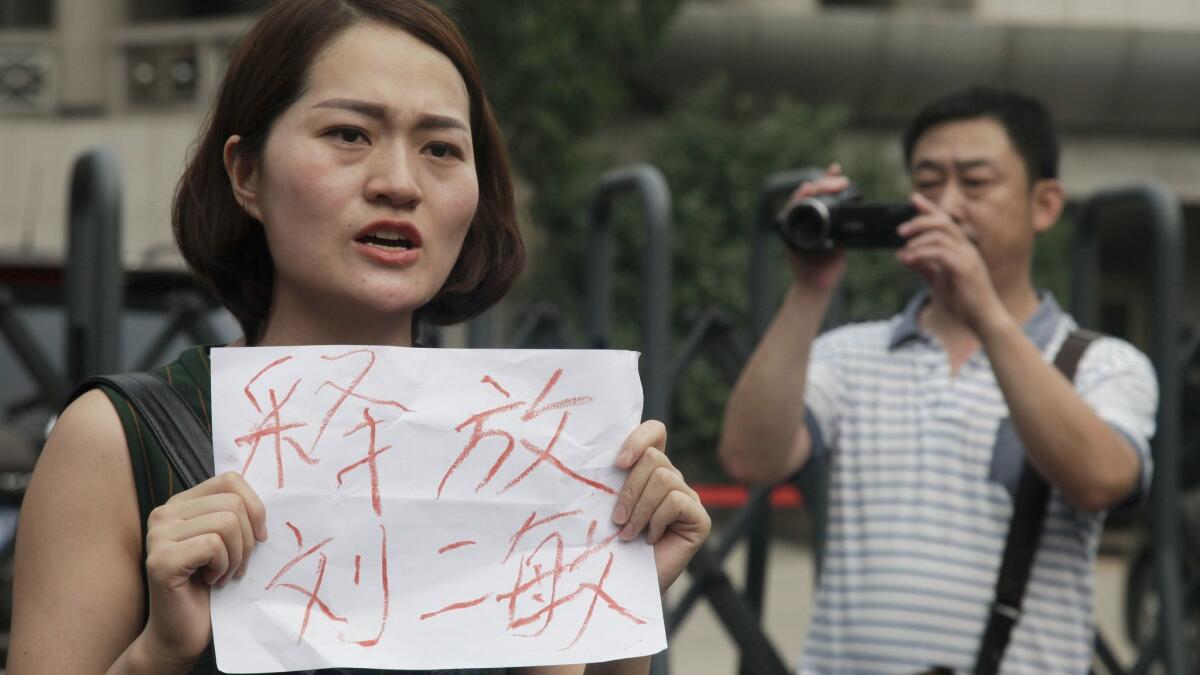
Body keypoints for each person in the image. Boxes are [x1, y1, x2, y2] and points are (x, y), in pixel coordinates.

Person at [9, 1, 711, 673]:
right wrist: (160, 653)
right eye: (349, 134)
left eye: (441, 147)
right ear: (246, 174)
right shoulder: (114, 441)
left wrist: (623, 600)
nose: (399, 183)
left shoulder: (532, 449)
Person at [719, 87, 1157, 674]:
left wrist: (987, 316)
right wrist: (810, 288)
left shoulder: (1102, 363)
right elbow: (751, 458)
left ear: (1045, 205)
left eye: (975, 184)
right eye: (927, 184)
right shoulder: (849, 354)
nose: (946, 205)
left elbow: (1102, 481)